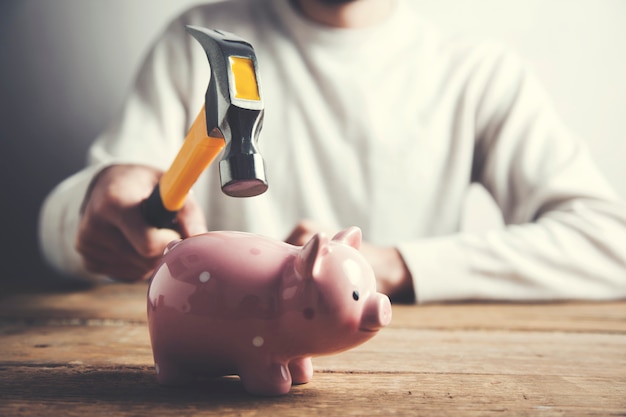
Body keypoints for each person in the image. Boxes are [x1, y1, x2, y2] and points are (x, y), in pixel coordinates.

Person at [39, 0, 626, 303]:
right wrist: (91, 202)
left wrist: (394, 265)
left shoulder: (477, 75)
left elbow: (611, 243)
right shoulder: (195, 39)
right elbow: (59, 235)